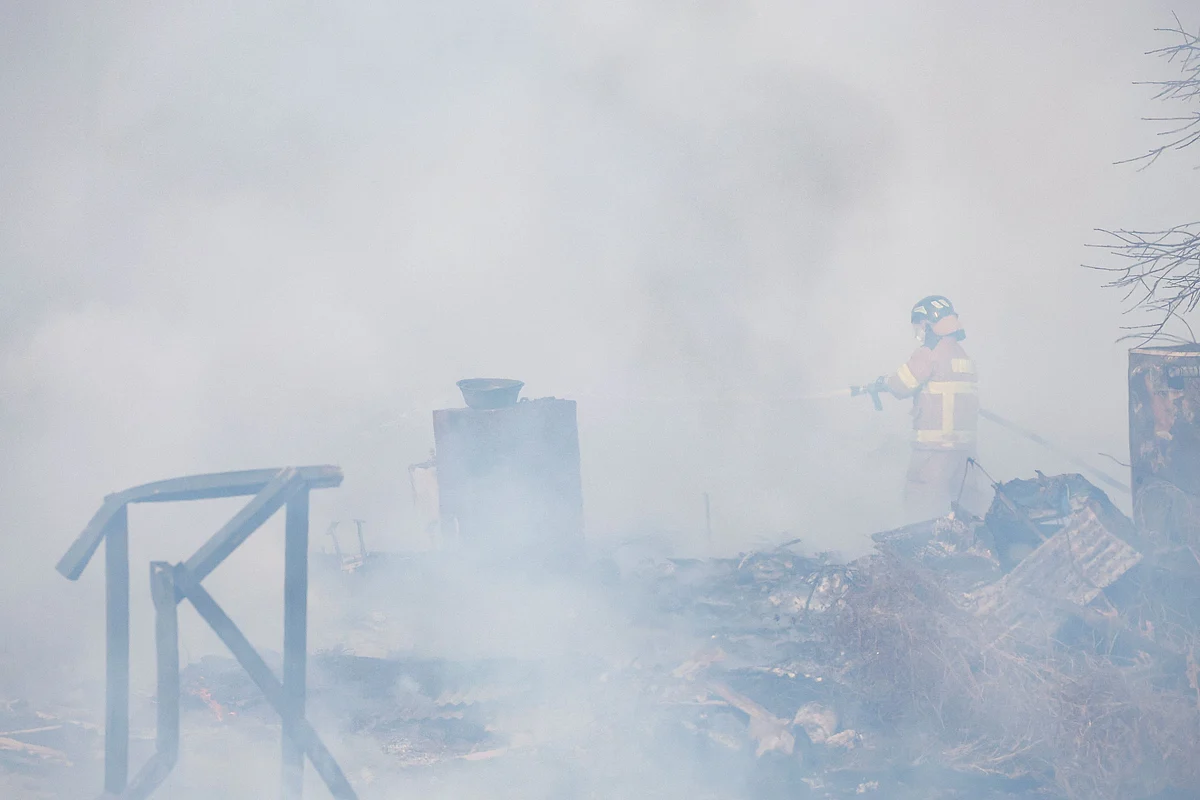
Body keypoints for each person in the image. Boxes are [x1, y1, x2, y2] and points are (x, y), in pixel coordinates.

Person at [875, 295, 980, 518]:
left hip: (934, 452)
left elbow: (901, 385)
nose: (919, 331)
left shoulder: (929, 352)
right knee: (965, 509)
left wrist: (883, 382)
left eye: (919, 325)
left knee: (920, 506)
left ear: (928, 323)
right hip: (964, 454)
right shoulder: (963, 356)